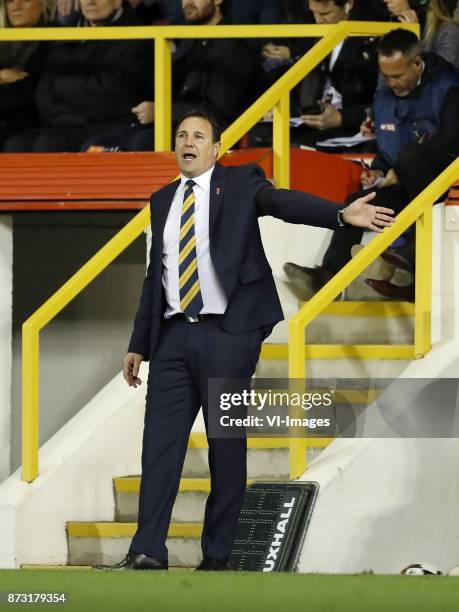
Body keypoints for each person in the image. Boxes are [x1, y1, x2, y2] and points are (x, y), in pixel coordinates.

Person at [95, 109, 394, 571]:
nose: (187, 142)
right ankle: (147, 550)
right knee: (159, 446)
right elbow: (158, 273)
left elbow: (282, 203)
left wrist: (339, 214)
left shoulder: (238, 183)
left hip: (228, 335)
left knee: (225, 446)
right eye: (181, 136)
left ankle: (218, 555)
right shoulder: (161, 200)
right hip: (173, 338)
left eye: (198, 136)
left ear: (216, 149)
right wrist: (140, 341)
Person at [284, 29, 459, 300]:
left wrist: (399, 168)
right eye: (386, 76)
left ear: (416, 62)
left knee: (412, 155)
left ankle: (411, 259)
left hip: (446, 188)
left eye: (398, 75)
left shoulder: (449, 87)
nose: (391, 82)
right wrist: (377, 169)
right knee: (357, 202)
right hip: (409, 191)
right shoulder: (384, 98)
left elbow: (451, 144)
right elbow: (388, 149)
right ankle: (328, 277)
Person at [82, 0, 259, 152]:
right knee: (93, 145)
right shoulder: (187, 37)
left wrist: (161, 111)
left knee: (137, 145)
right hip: (175, 124)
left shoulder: (232, 46)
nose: (187, 3)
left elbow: (218, 115)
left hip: (210, 135)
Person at [3, 0, 152, 152]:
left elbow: (109, 93)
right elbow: (44, 88)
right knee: (15, 145)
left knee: (49, 145)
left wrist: (59, 87)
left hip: (111, 122)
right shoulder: (65, 33)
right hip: (62, 122)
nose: (91, 2)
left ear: (117, 2)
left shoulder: (136, 36)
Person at [250, 0, 379, 149]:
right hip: (312, 118)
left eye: (325, 14)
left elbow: (382, 97)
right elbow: (301, 84)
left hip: (351, 124)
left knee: (297, 147)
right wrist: (281, 110)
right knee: (259, 135)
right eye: (314, 12)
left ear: (348, 5)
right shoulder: (310, 28)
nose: (318, 20)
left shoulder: (370, 35)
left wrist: (343, 118)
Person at [0, 0, 56, 148]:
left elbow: (32, 86)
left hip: (30, 117)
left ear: (44, 4)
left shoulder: (54, 35)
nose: (15, 6)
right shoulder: (3, 37)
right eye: (10, 1)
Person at [384, 0, 459, 69]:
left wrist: (411, 38)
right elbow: (387, 79)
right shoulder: (392, 27)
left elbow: (441, 76)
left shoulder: (448, 33)